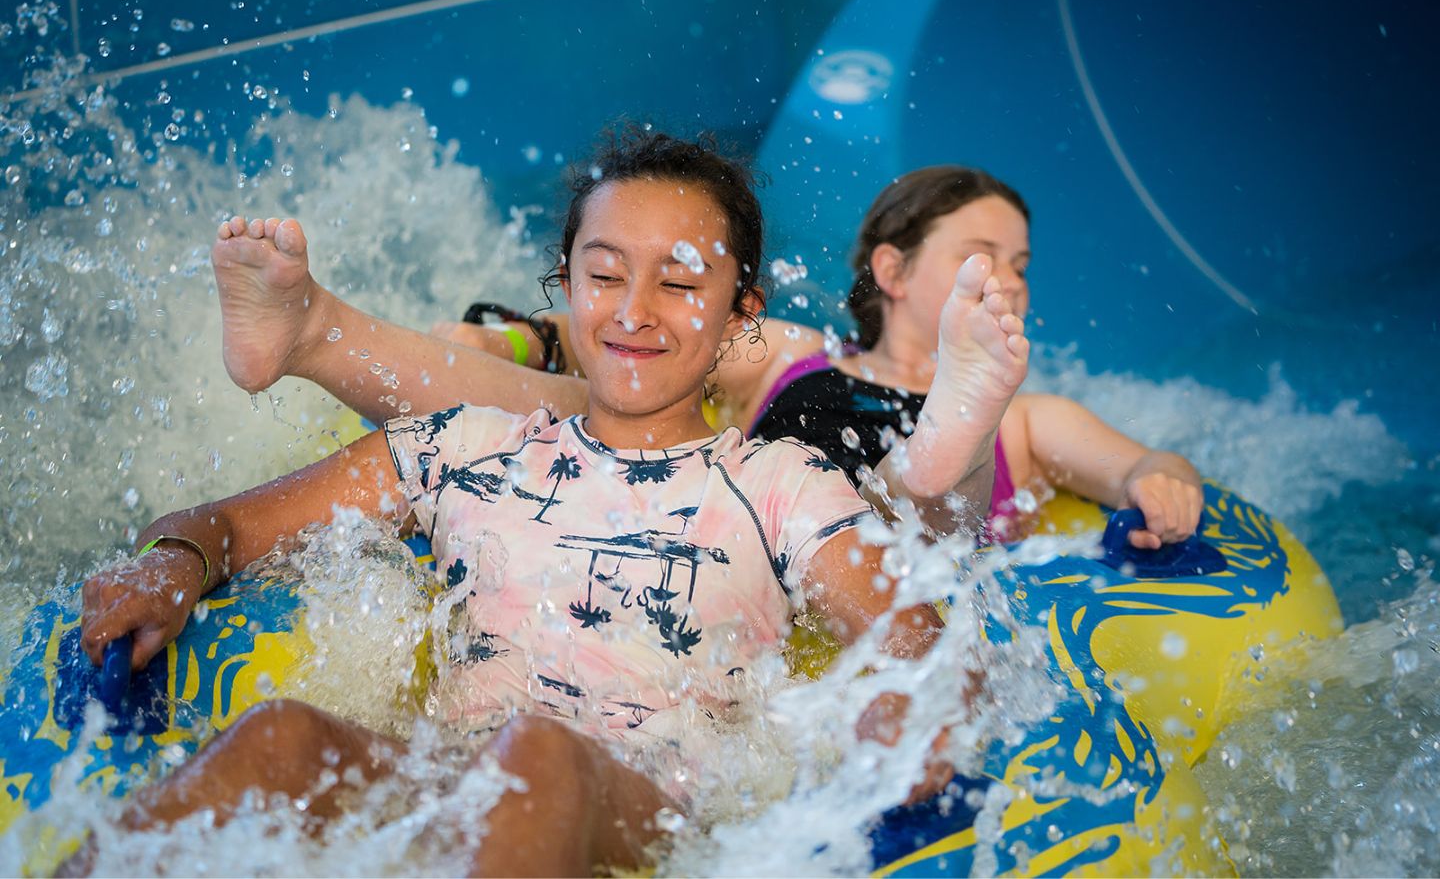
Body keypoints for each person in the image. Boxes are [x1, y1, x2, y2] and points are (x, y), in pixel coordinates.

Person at [77, 131, 1027, 876]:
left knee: (536, 757)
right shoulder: (465, 446)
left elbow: (914, 631)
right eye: (604, 275)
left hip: (651, 803)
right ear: (565, 289)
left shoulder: (778, 485)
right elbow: (229, 524)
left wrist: (905, 717)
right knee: (281, 734)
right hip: (451, 769)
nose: (633, 311)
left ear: (744, 310)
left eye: (682, 282)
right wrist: (173, 565)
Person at [433, 167, 1202, 547]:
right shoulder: (798, 354)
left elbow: (1141, 465)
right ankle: (331, 339)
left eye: (1021, 265)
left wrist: (1164, 483)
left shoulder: (1028, 417)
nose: (1007, 279)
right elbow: (637, 337)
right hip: (737, 524)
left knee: (917, 500)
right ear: (893, 272)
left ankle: (935, 457)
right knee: (607, 407)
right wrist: (517, 338)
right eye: (981, 256)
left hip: (885, 548)